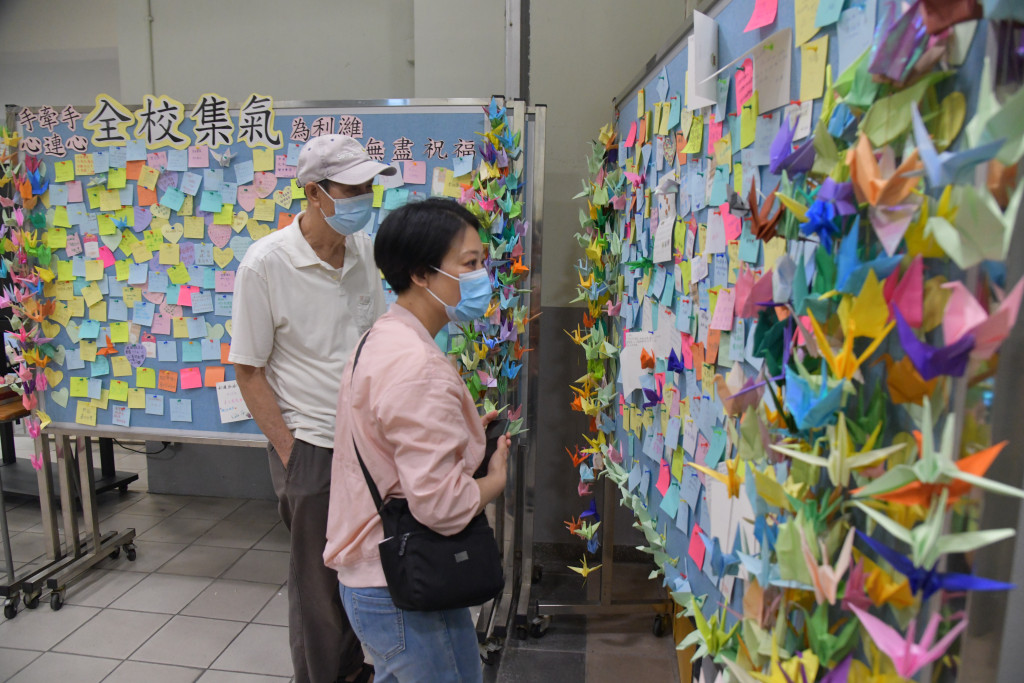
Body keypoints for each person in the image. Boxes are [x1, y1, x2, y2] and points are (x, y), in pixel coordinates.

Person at [229, 134, 396, 683]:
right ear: (313, 192)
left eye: (369, 188)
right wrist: (291, 452)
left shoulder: (366, 251)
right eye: (353, 189)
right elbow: (248, 371)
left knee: (368, 573)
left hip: (369, 445)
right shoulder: (266, 264)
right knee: (318, 590)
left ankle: (357, 672)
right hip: (313, 448)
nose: (364, 199)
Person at [324, 198, 510, 683]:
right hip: (404, 585)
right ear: (422, 275)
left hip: (377, 575)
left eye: (481, 263)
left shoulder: (380, 339)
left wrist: (467, 432)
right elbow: (441, 507)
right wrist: (495, 480)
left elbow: (392, 444)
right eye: (469, 264)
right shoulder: (417, 365)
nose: (481, 277)